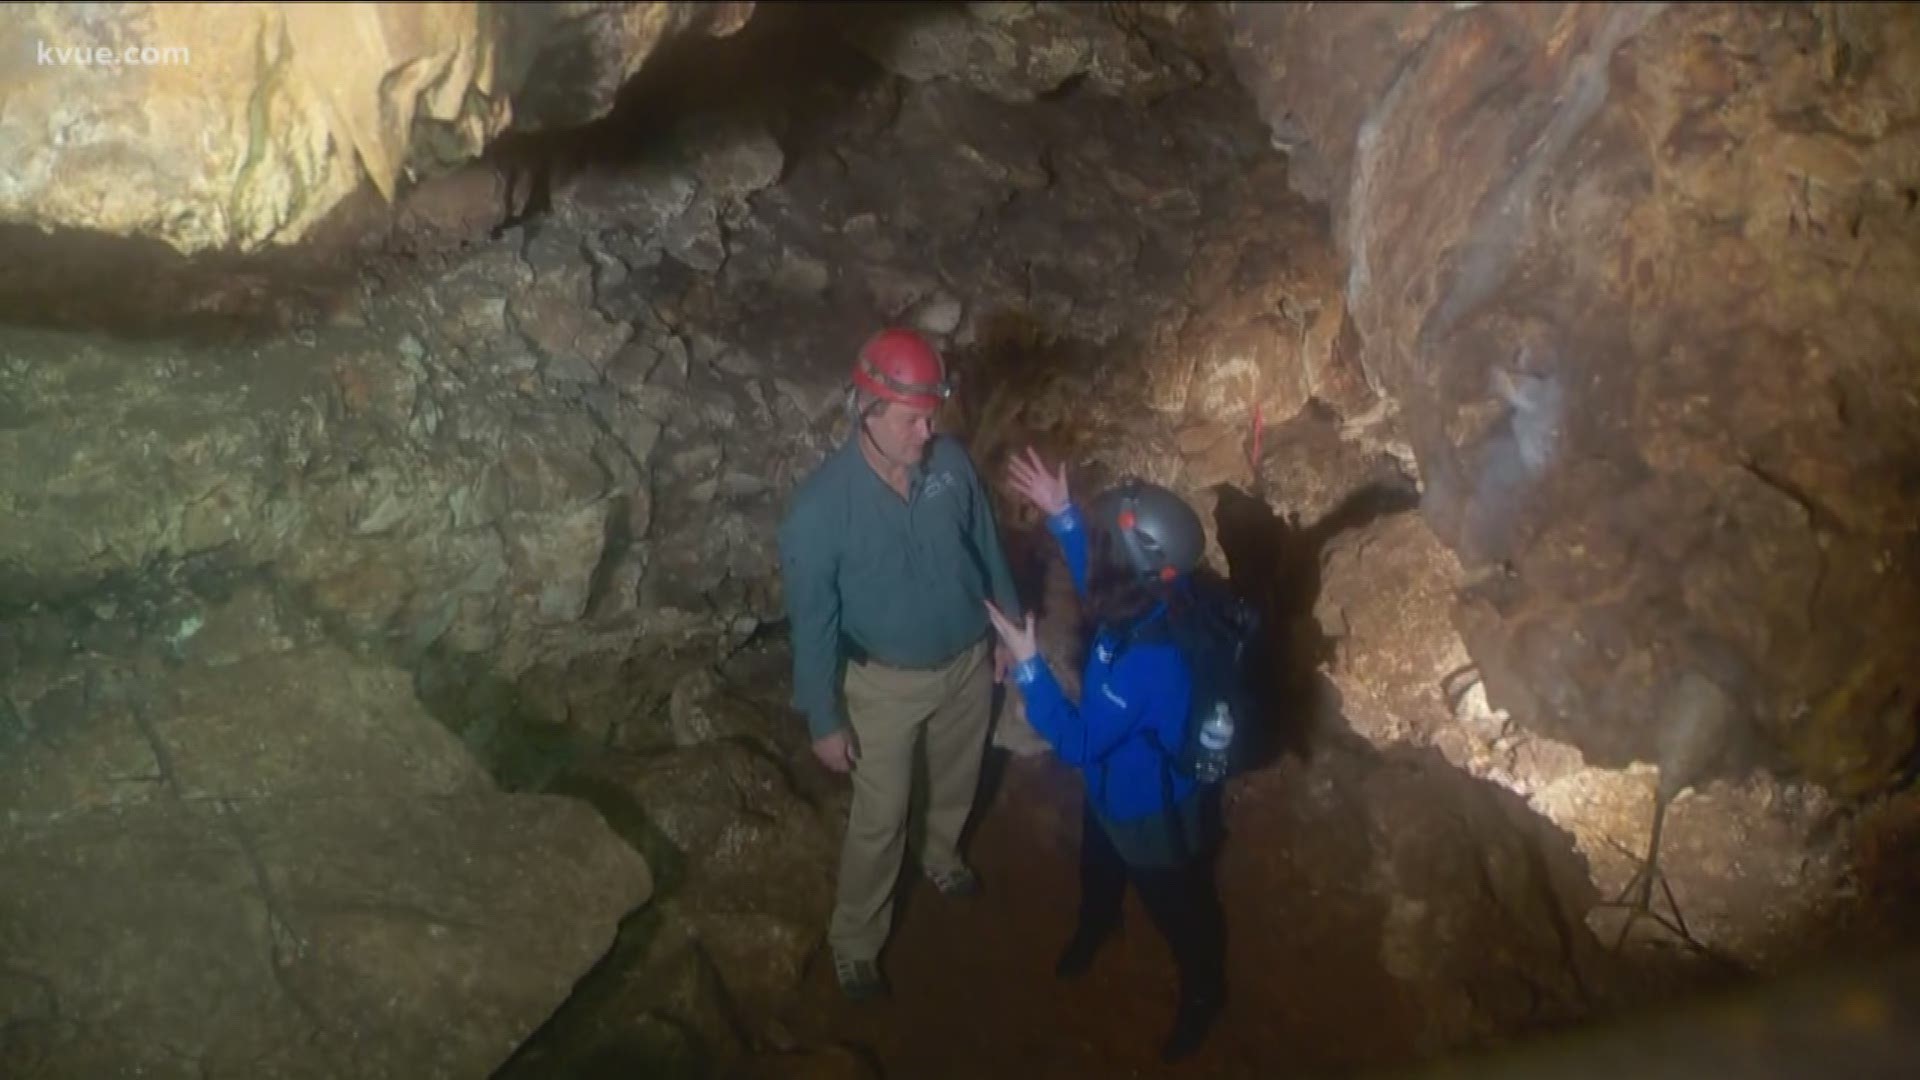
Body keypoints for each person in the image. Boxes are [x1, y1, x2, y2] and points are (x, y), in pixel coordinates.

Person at [777, 327, 1023, 1002]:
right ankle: (854, 941)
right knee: (879, 819)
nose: (928, 430)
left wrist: (1008, 627)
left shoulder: (951, 466)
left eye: (932, 413)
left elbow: (987, 542)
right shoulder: (820, 512)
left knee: (958, 771)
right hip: (885, 686)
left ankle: (941, 854)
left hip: (969, 662)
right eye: (914, 418)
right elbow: (814, 623)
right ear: (869, 412)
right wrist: (824, 719)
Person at [985, 447, 1227, 1064]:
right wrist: (1063, 513)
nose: (1099, 554)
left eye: (1111, 547)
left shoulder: (1149, 659)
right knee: (1097, 865)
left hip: (1150, 812)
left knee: (1178, 911)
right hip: (1112, 790)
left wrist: (1031, 669)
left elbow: (1079, 740)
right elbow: (1098, 575)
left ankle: (1204, 991)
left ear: (1140, 569)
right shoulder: (1146, 598)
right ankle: (1098, 924)